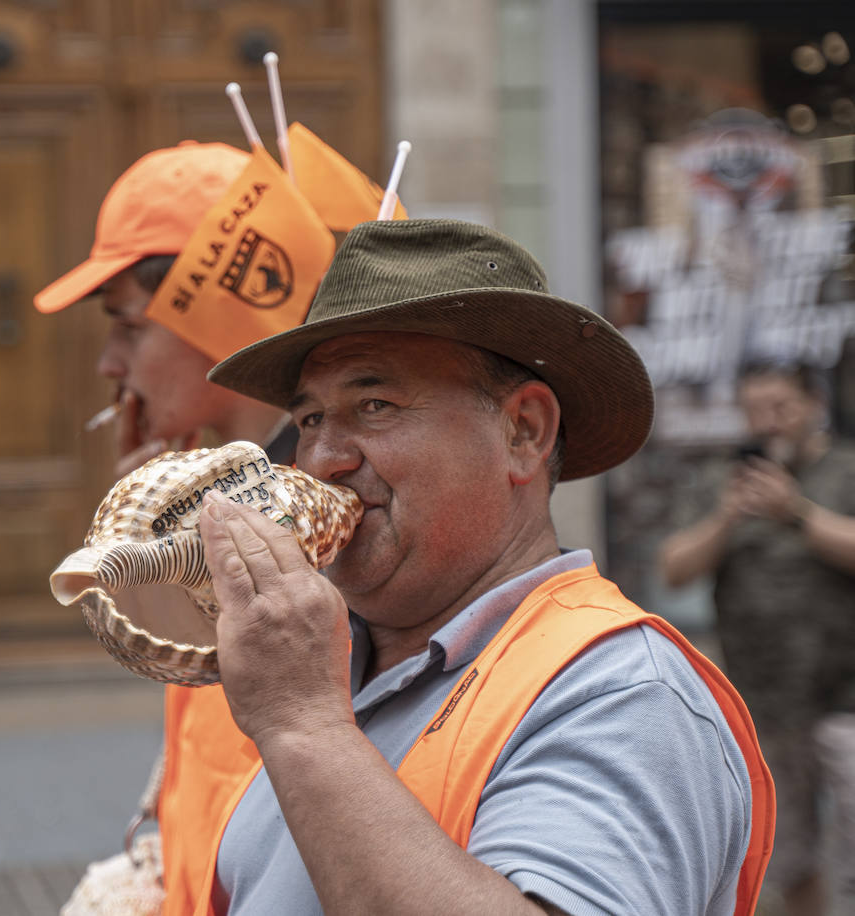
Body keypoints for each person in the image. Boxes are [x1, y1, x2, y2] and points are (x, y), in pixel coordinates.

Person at [188, 218, 775, 915]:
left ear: (523, 432)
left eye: (374, 406)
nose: (323, 462)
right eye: (310, 420)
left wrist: (304, 727)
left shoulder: (622, 692)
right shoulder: (324, 661)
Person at [35, 140, 328, 915]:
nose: (108, 363)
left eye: (127, 328)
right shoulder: (219, 499)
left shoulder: (324, 525)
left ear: (220, 311)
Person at [659, 362, 855, 915]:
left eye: (780, 408)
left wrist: (796, 512)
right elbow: (674, 568)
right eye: (753, 411)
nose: (766, 423)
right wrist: (727, 516)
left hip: (847, 699)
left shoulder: (844, 469)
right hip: (765, 703)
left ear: (813, 405)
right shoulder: (727, 478)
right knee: (787, 855)